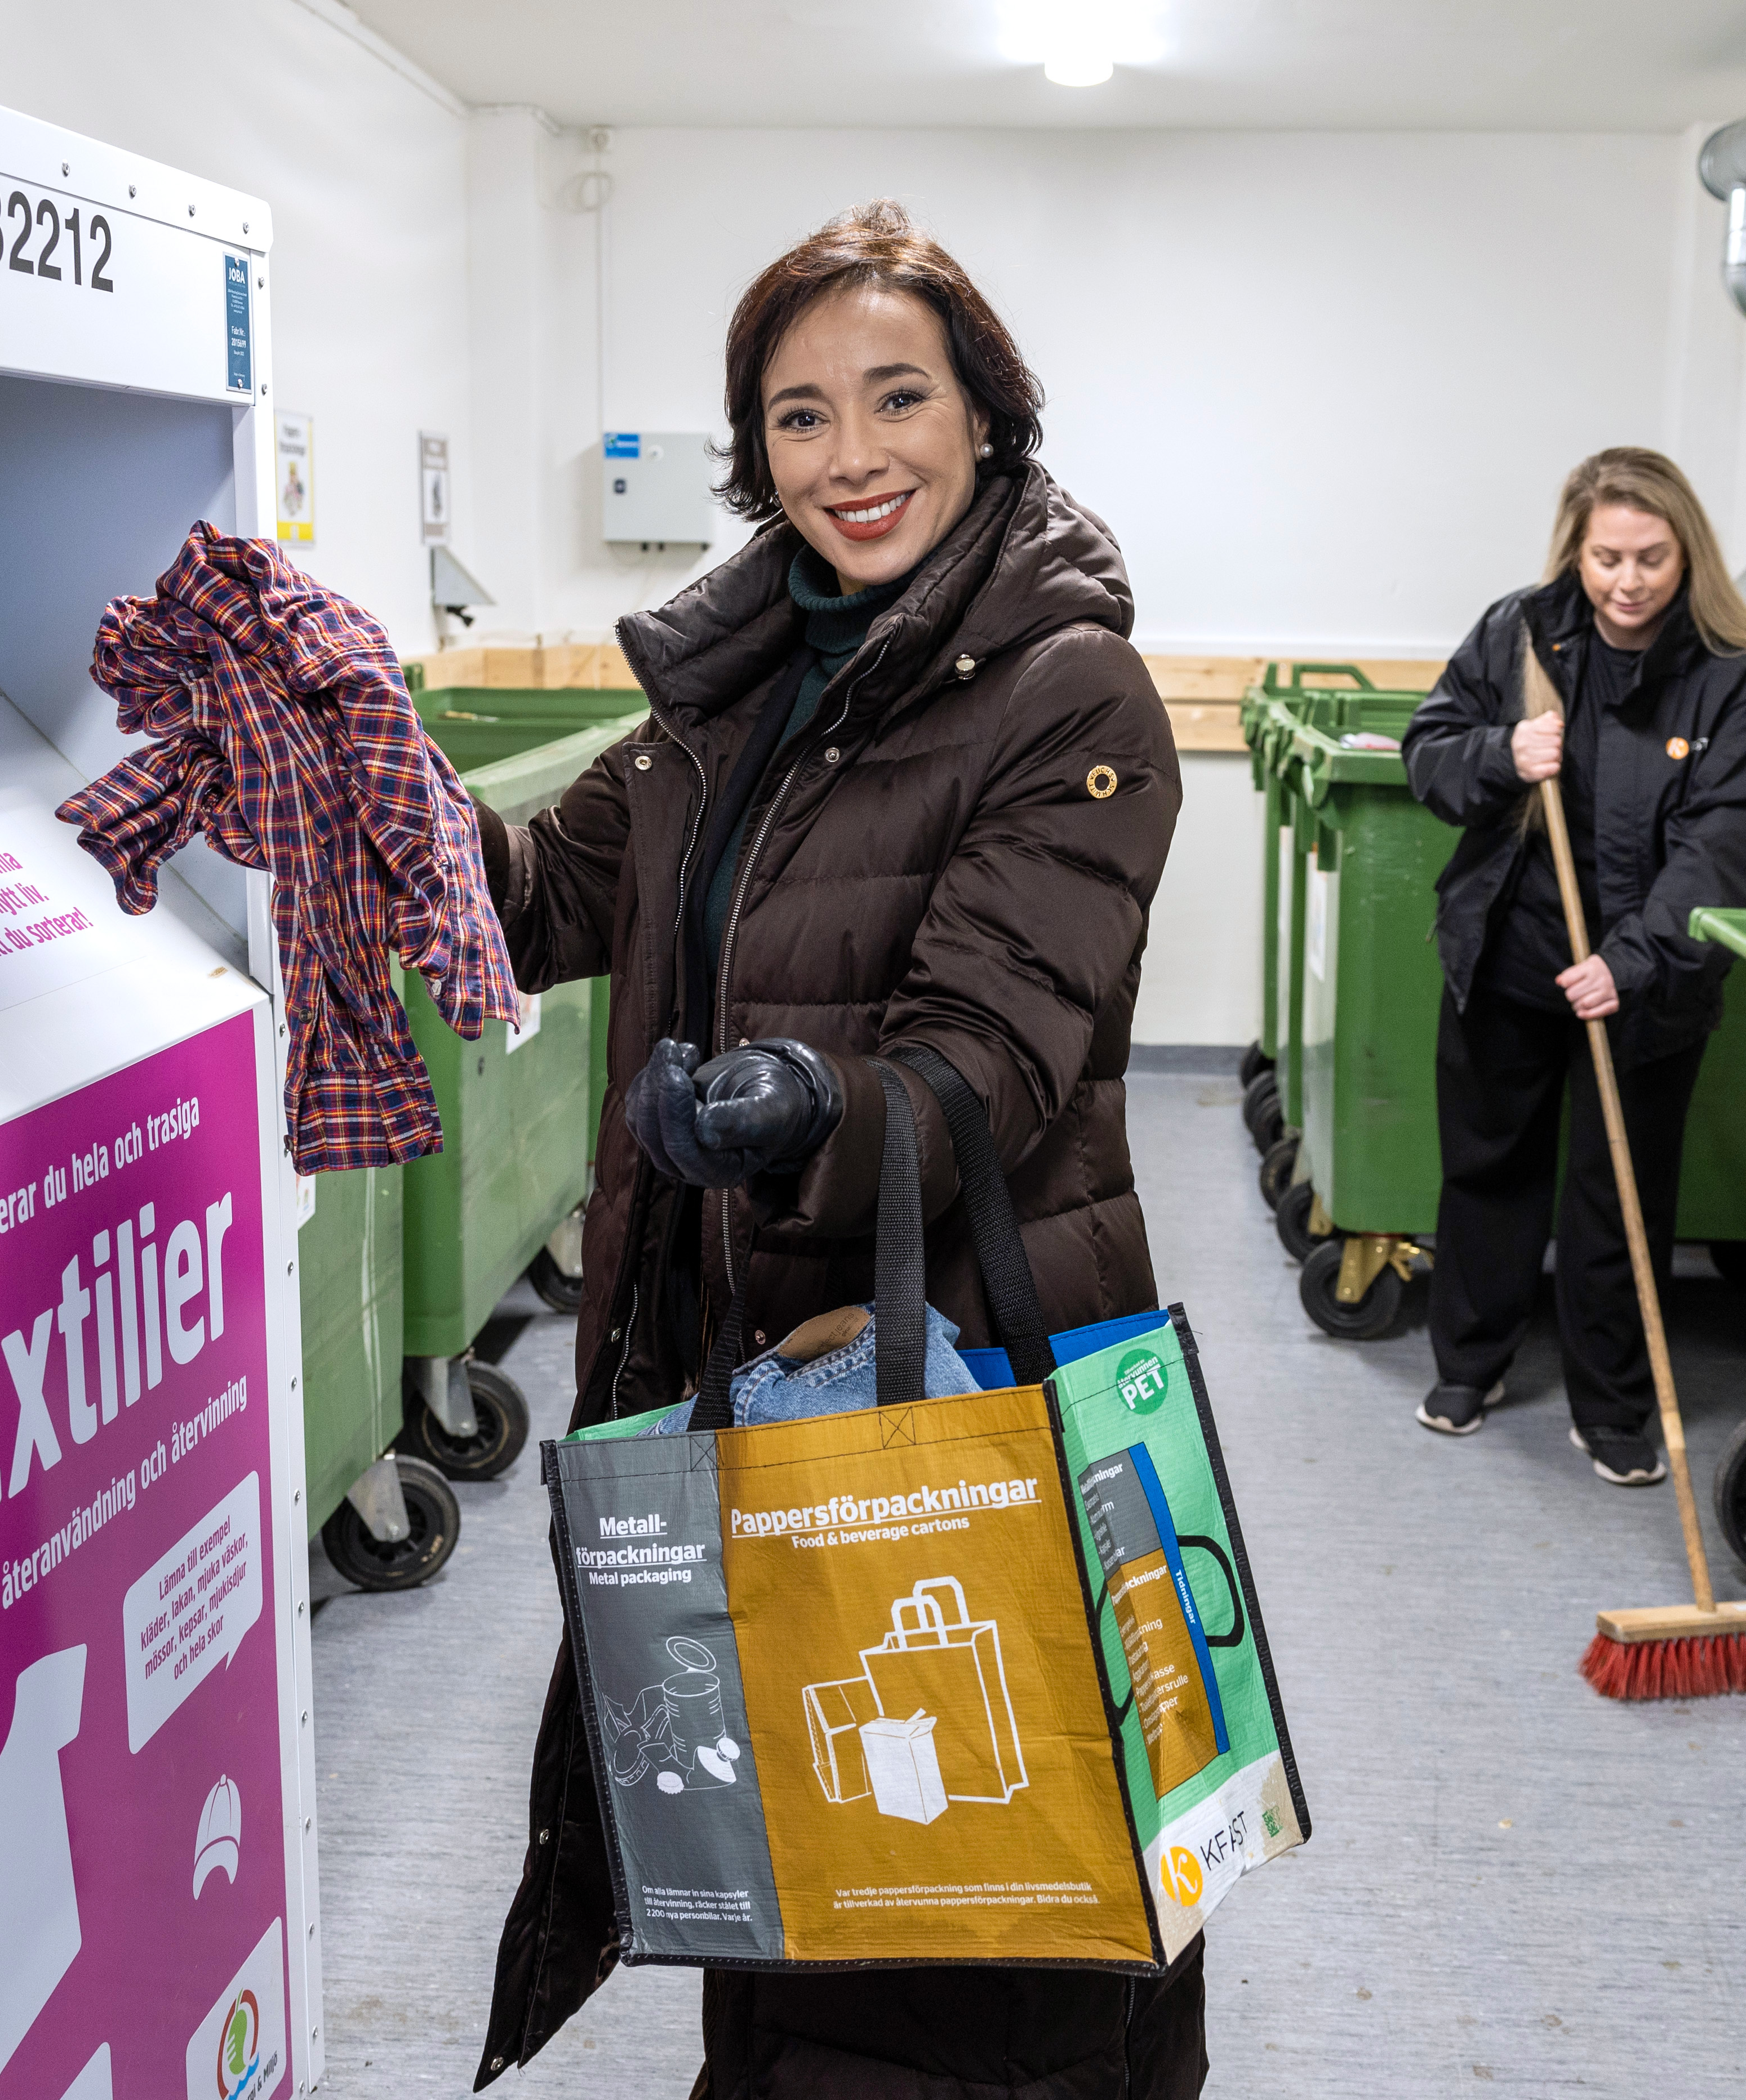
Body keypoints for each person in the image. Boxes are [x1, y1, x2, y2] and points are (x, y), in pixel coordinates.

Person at [467, 200, 1199, 2099]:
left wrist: (807, 1103)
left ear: (986, 419)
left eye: (896, 397)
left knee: (978, 1870)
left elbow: (996, 1051)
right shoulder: (732, 698)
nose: (850, 454)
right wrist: (374, 782)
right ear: (753, 450)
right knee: (807, 1866)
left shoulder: (1073, 695)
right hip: (753, 1376)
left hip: (960, 1360)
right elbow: (547, 901)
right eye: (799, 416)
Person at [1400, 448, 1746, 1467]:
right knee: (1489, 1168)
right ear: (1576, 548)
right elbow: (1427, 756)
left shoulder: (1734, 679)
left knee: (1620, 1189)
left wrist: (1636, 959)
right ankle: (1469, 1362)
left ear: (1686, 552)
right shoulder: (1520, 632)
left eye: (1651, 558)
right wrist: (1499, 755)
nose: (1627, 581)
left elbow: (1726, 845)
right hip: (1512, 948)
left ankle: (1612, 1404)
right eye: (1607, 556)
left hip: (1644, 980)